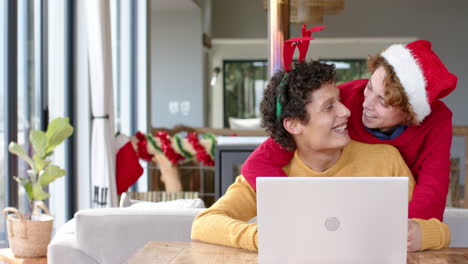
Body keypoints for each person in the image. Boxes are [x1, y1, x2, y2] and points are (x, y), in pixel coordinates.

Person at [191, 60, 450, 252]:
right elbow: (203, 224)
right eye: (329, 107)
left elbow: (439, 231)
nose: (347, 111)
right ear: (294, 125)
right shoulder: (271, 175)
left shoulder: (386, 160)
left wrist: (421, 233)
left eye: (339, 100)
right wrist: (264, 237)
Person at [242, 40, 458, 222]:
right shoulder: (345, 98)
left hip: (395, 207)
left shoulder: (436, 120)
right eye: (370, 87)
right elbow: (259, 162)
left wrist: (406, 232)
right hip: (344, 204)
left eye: (383, 101)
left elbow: (432, 191)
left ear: (410, 112)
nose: (365, 104)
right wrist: (303, 211)